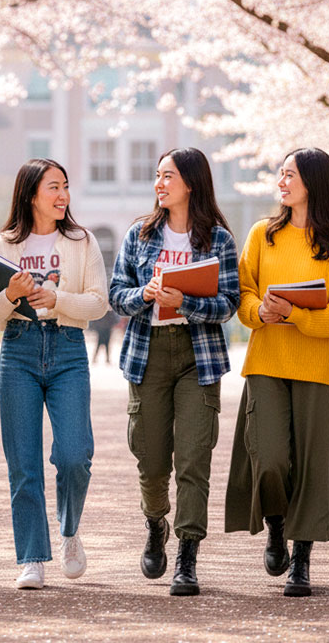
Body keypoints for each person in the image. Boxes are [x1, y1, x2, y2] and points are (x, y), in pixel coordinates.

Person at [224, 147, 329, 598]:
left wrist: (295, 314)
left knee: (311, 466)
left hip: (319, 368)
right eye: (280, 174)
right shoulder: (262, 234)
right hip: (266, 362)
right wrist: (259, 311)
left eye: (290, 175)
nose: (281, 182)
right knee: (268, 458)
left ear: (313, 183)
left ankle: (301, 559)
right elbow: (242, 294)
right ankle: (276, 524)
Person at [108, 147, 240, 596]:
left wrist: (184, 302)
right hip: (147, 354)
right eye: (157, 176)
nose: (159, 184)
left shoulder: (218, 240)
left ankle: (187, 555)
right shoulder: (140, 234)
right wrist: (144, 296)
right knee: (149, 458)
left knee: (193, 459)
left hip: (198, 358)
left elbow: (228, 304)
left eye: (168, 176)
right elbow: (116, 294)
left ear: (191, 183)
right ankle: (155, 522)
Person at [0, 158, 110, 590]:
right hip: (19, 349)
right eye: (54, 186)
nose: (63, 195)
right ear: (31, 193)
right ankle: (32, 557)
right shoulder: (1, 243)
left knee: (75, 455)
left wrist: (57, 298)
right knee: (24, 463)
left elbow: (99, 303)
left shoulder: (81, 240)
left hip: (68, 349)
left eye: (65, 186)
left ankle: (69, 530)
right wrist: (10, 296)